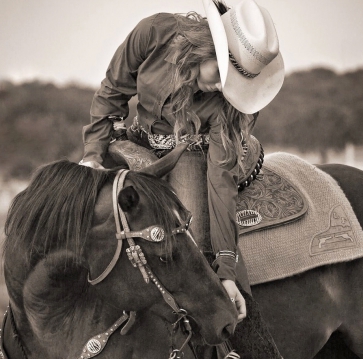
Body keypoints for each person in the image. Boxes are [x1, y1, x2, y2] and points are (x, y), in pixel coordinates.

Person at [80, 0, 284, 357]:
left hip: (190, 150)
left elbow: (221, 185)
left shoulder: (225, 106)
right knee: (82, 209)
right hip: (134, 140)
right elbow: (112, 91)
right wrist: (93, 155)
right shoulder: (153, 33)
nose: (224, 89)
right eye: (221, 76)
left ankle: (233, 347)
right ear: (206, 50)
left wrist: (226, 270)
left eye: (234, 83)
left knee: (190, 237)